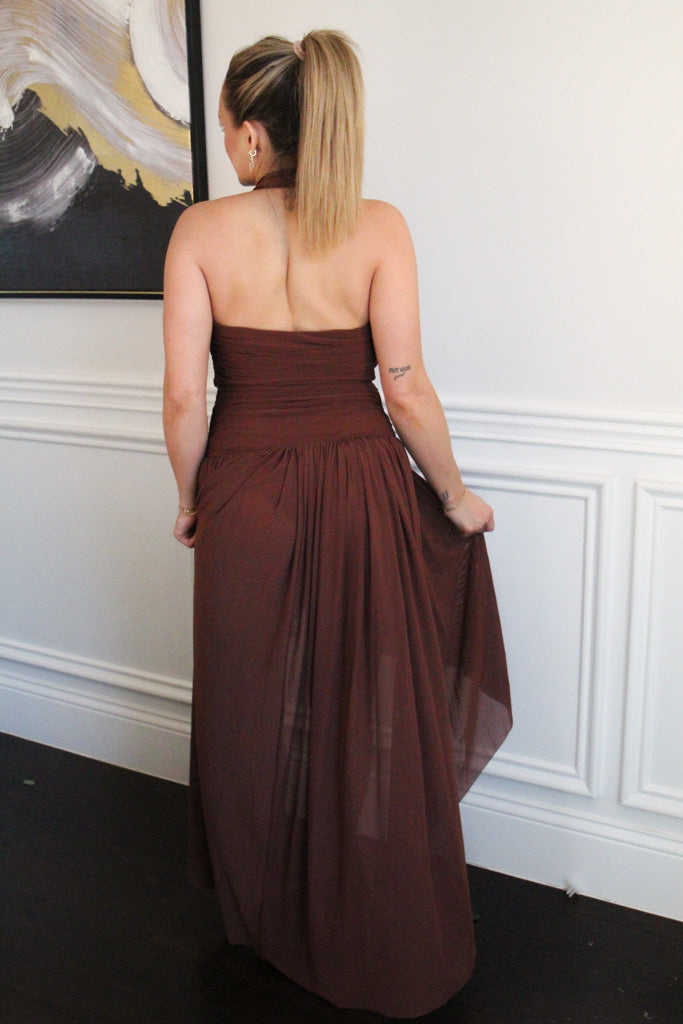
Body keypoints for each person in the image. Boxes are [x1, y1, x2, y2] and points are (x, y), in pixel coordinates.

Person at [163, 30, 511, 1019]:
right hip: (359, 484)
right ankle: (359, 905)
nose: (228, 145)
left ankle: (265, 914)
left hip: (243, 489)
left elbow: (184, 399)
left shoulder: (198, 232)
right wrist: (451, 494)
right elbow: (402, 391)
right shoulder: (378, 225)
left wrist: (190, 498)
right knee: (367, 700)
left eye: (231, 128)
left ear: (250, 135)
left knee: (249, 702)